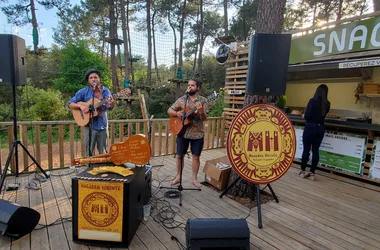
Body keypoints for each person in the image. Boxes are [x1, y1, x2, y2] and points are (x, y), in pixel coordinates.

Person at [167, 79, 209, 188]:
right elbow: (169, 110)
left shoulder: (203, 100)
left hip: (197, 133)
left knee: (196, 157)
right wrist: (177, 113)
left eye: (192, 85)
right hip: (182, 132)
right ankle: (178, 176)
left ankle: (194, 179)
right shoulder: (182, 99)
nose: (190, 87)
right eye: (188, 85)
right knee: (179, 156)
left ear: (198, 87)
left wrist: (200, 111)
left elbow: (204, 118)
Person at [68, 69, 116, 157]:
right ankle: (89, 168)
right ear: (88, 80)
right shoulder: (83, 91)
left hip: (102, 124)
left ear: (99, 79)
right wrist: (81, 106)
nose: (93, 79)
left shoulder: (106, 91)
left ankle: (103, 168)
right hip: (89, 125)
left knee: (104, 151)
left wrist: (112, 104)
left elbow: (108, 107)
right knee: (89, 151)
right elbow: (70, 103)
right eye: (91, 78)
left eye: (95, 77)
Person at [300, 84, 330, 180]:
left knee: (306, 149)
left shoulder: (312, 101)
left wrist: (304, 115)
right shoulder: (327, 103)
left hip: (310, 128)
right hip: (320, 128)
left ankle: (303, 171)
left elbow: (308, 116)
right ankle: (312, 173)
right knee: (315, 151)